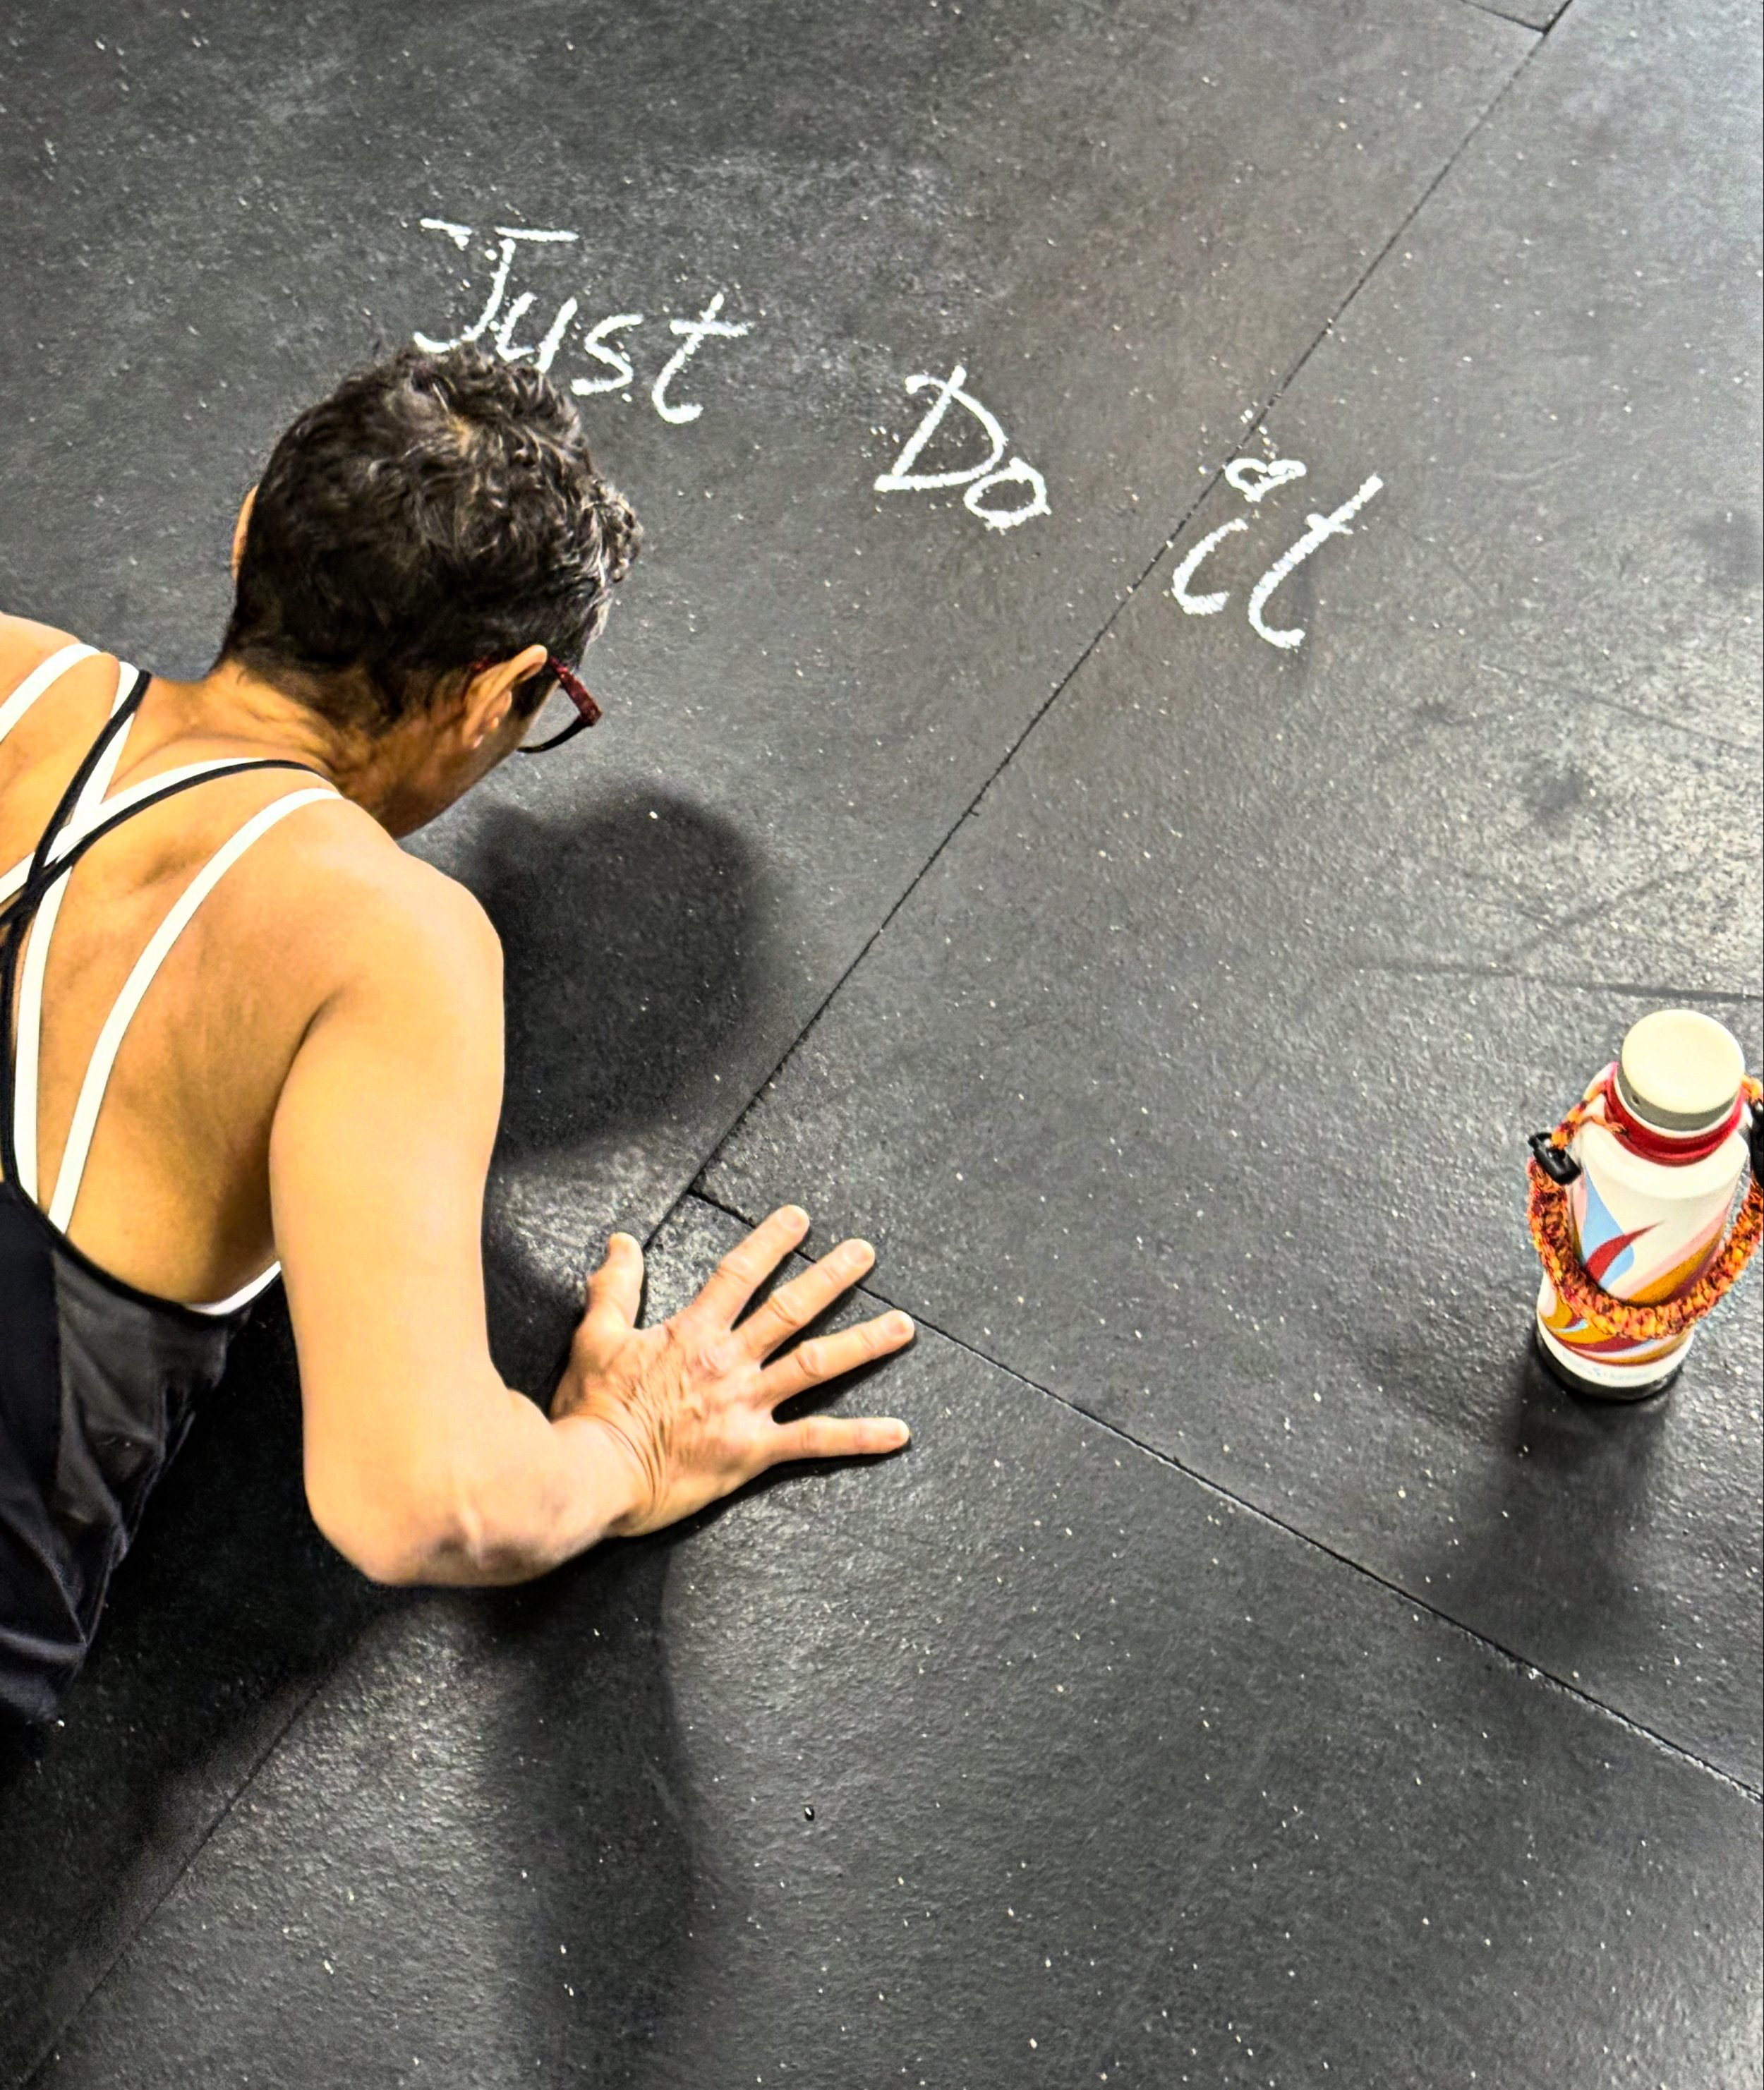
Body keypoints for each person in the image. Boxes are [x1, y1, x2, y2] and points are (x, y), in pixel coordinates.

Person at [0, 347, 914, 1725]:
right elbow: (417, 1498)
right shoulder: (389, 947)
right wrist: (620, 1442)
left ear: (251, 528)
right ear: (500, 693)